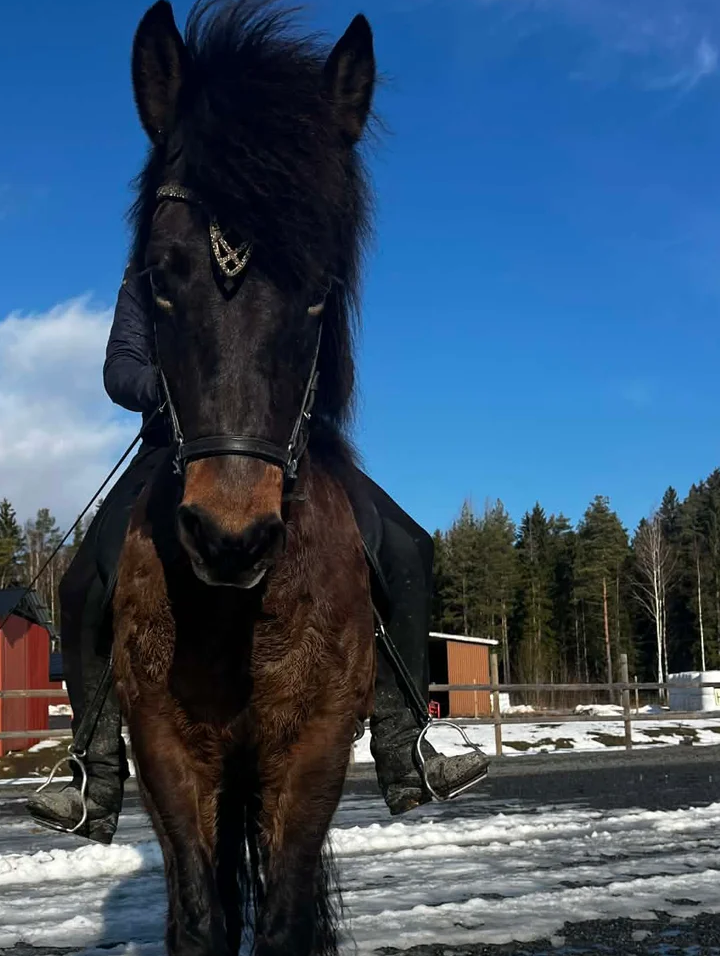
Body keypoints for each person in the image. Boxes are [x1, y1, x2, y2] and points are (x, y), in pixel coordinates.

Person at [27, 267, 489, 844]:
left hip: (278, 442)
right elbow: (119, 368)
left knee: (408, 545)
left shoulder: (280, 262)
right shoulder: (155, 272)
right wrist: (164, 387)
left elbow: (327, 364)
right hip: (180, 445)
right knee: (81, 586)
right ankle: (92, 775)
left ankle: (404, 739)